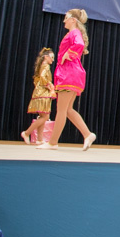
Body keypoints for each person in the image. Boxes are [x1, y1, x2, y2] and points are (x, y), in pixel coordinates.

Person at [37, 9, 96, 150]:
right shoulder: (74, 33)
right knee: (68, 109)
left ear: (73, 20)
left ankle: (53, 142)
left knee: (62, 110)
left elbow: (79, 44)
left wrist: (68, 53)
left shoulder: (74, 33)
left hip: (69, 74)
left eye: (66, 18)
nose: (64, 21)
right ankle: (87, 134)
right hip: (71, 74)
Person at [21, 48, 57, 145]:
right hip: (43, 93)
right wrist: (49, 85)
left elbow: (37, 79)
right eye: (51, 57)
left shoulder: (41, 66)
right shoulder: (46, 66)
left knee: (43, 116)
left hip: (39, 92)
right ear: (46, 57)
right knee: (45, 116)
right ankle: (27, 133)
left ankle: (39, 139)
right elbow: (42, 78)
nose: (53, 60)